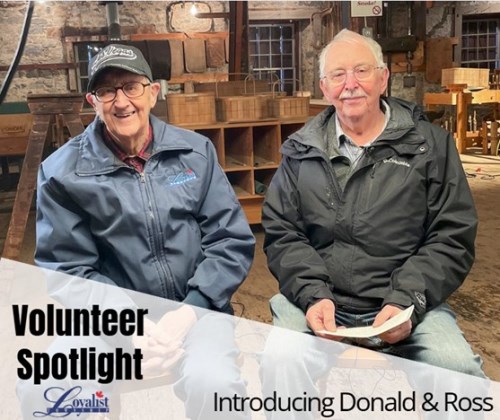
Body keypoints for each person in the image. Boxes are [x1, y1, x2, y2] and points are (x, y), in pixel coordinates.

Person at [32, 43, 255, 419]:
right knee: (52, 390)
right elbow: (67, 270)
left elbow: (229, 240)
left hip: (195, 313)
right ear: (92, 100)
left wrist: (191, 310)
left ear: (153, 93)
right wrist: (129, 327)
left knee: (214, 383)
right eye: (107, 91)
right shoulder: (61, 173)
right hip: (107, 321)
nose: (121, 102)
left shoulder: (195, 153)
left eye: (131, 86)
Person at [261, 29, 485, 378]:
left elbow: (451, 235)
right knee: (281, 359)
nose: (350, 84)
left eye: (362, 71)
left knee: (457, 372)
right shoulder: (299, 150)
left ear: (383, 78)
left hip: (406, 301)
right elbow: (283, 232)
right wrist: (313, 294)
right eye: (338, 74)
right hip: (318, 300)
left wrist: (406, 300)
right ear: (324, 87)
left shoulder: (430, 147)